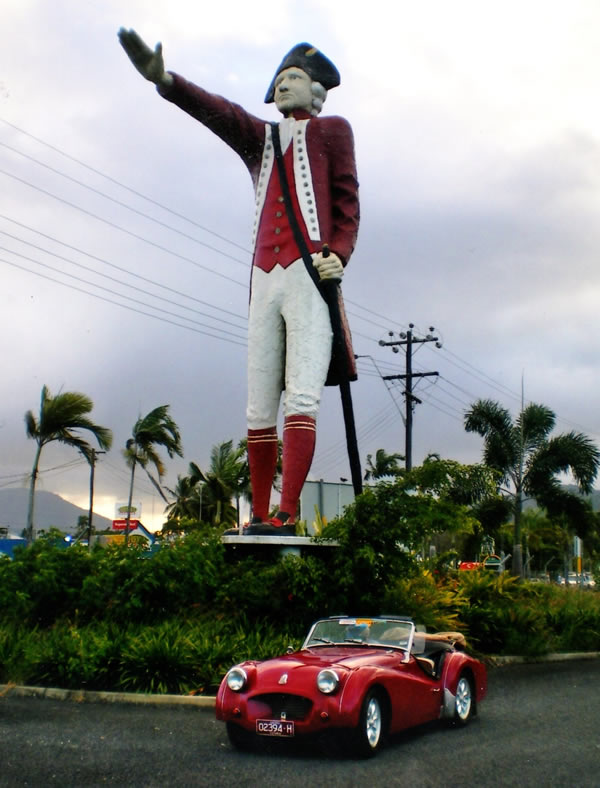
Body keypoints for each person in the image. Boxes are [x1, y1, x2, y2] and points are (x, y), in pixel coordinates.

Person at [118, 30, 360, 535]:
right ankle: (261, 512)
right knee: (258, 401)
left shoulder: (333, 130)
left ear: (316, 90)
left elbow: (346, 199)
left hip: (309, 275)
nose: (286, 84)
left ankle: (288, 510)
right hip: (263, 278)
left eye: (296, 77)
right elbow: (220, 113)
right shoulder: (260, 138)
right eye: (281, 78)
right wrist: (166, 81)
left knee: (301, 397)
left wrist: (338, 251)